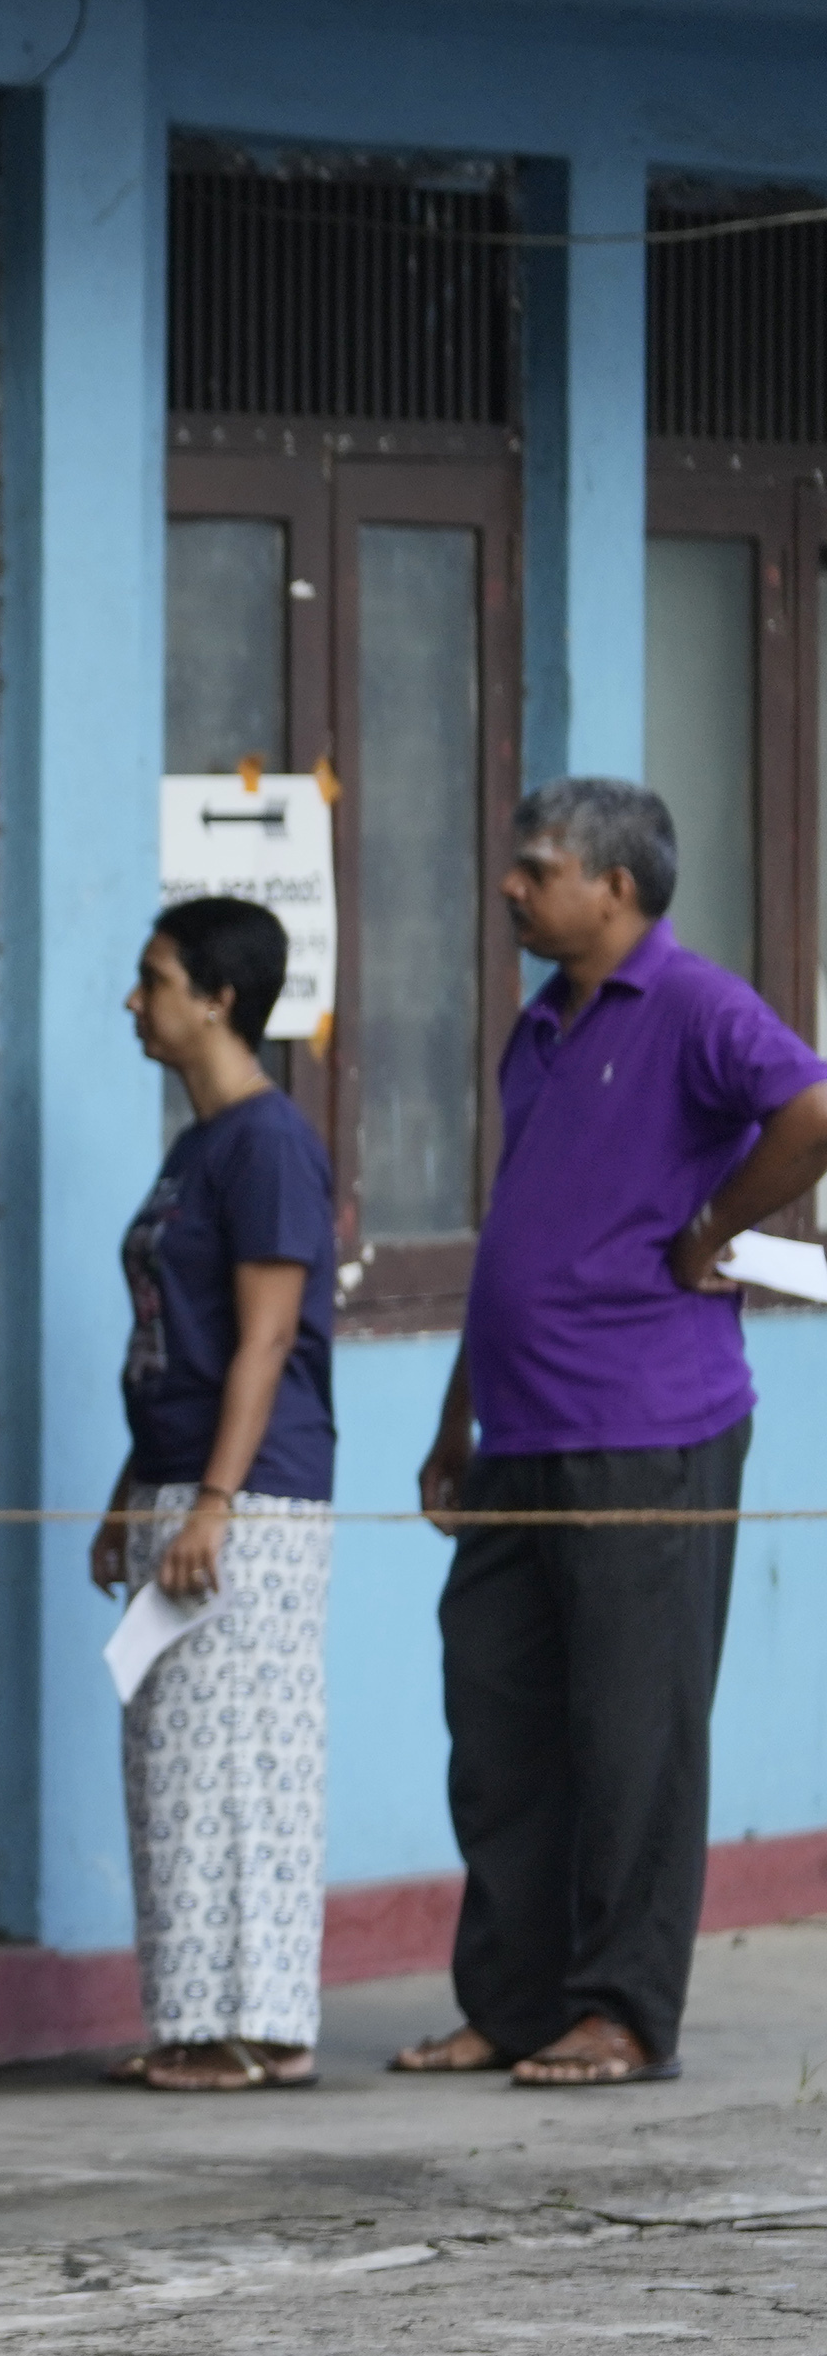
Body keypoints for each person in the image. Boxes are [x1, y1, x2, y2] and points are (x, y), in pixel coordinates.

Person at [404, 781, 827, 2090]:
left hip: (650, 1424)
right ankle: (516, 2002)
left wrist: (711, 1234)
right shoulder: (538, 1027)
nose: (512, 889)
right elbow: (522, 1224)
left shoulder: (694, 1003)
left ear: (616, 889)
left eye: (536, 869)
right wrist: (454, 1413)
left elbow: (811, 1112)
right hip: (520, 1430)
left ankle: (624, 2010)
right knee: (500, 1717)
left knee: (636, 1729)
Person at [87, 897, 340, 2094]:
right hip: (183, 1483)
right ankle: (201, 2021)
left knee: (241, 1762)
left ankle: (251, 2027)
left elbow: (264, 1335)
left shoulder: (266, 1141)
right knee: (174, 1761)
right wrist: (132, 1489)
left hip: (250, 1498)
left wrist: (213, 1504)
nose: (135, 1002)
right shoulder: (193, 1145)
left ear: (217, 998)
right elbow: (171, 1341)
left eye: (153, 979)